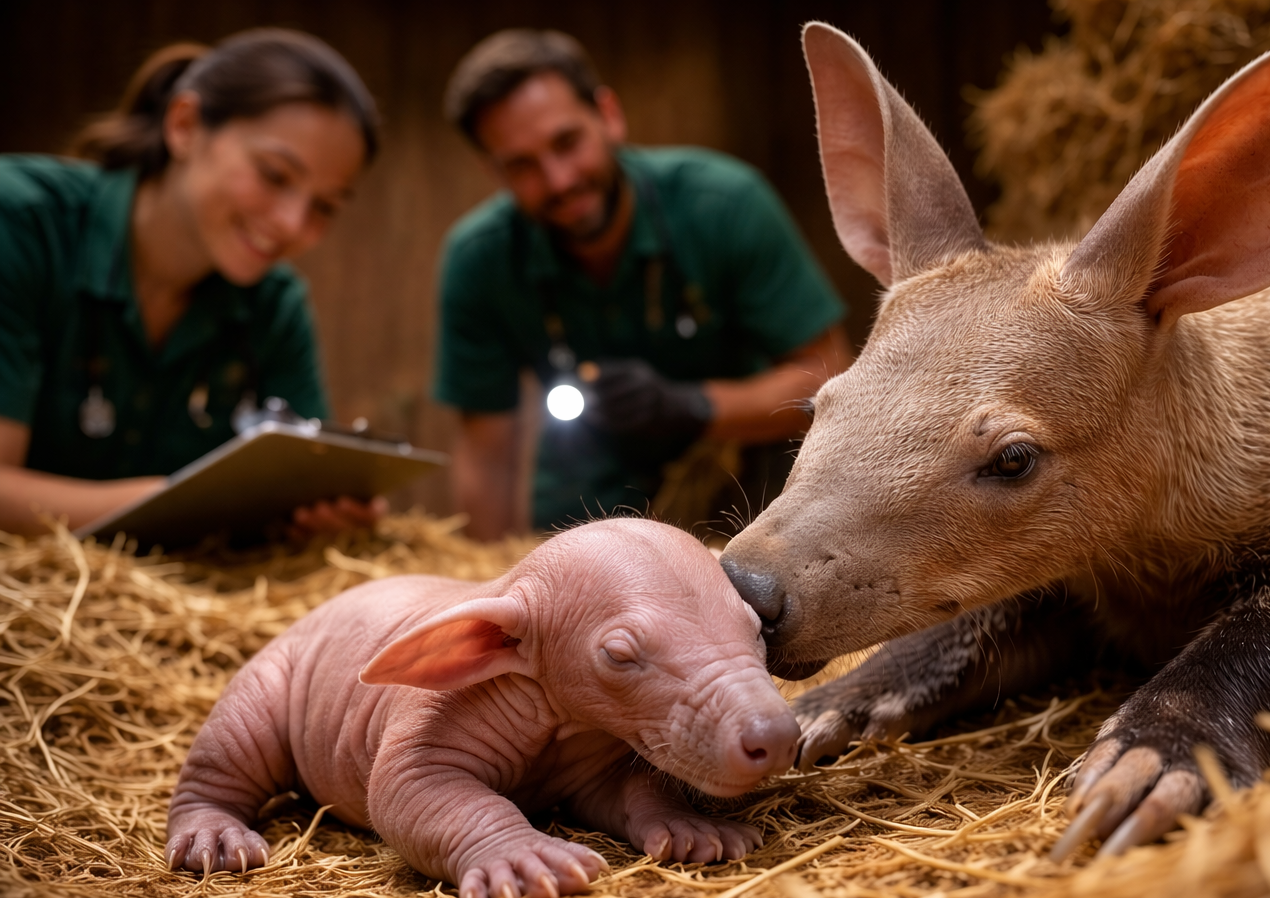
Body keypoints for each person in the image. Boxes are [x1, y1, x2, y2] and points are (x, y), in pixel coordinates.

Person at [436, 30, 853, 538]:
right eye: (522, 166)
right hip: (583, 502)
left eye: (567, 143)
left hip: (746, 495)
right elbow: (488, 455)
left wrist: (691, 407)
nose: (559, 180)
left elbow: (827, 373)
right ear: (493, 171)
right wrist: (485, 584)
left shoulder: (725, 205)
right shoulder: (479, 260)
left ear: (608, 115)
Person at [0, 29, 384, 539]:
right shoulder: (20, 221)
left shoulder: (275, 304)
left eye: (325, 207)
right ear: (183, 125)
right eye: (274, 174)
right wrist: (174, 508)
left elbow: (301, 484)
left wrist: (318, 515)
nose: (293, 225)